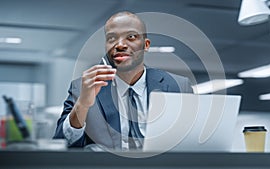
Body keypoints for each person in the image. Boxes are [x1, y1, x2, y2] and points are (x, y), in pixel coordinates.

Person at [53, 11, 193, 151]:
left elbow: (193, 143)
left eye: (131, 37)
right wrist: (82, 104)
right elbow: (61, 145)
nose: (120, 45)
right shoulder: (82, 88)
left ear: (146, 45)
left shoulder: (179, 87)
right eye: (112, 38)